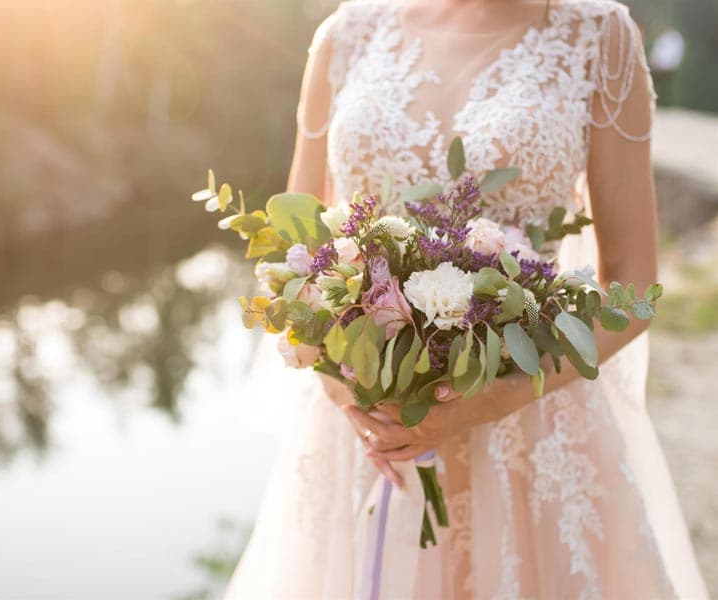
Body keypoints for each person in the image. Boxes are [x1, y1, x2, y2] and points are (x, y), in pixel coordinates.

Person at [226, 0, 709, 597]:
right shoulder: (345, 36)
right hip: (368, 433)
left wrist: (492, 400)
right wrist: (351, 388)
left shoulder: (599, 37)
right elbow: (293, 257)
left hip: (529, 426)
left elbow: (632, 286)